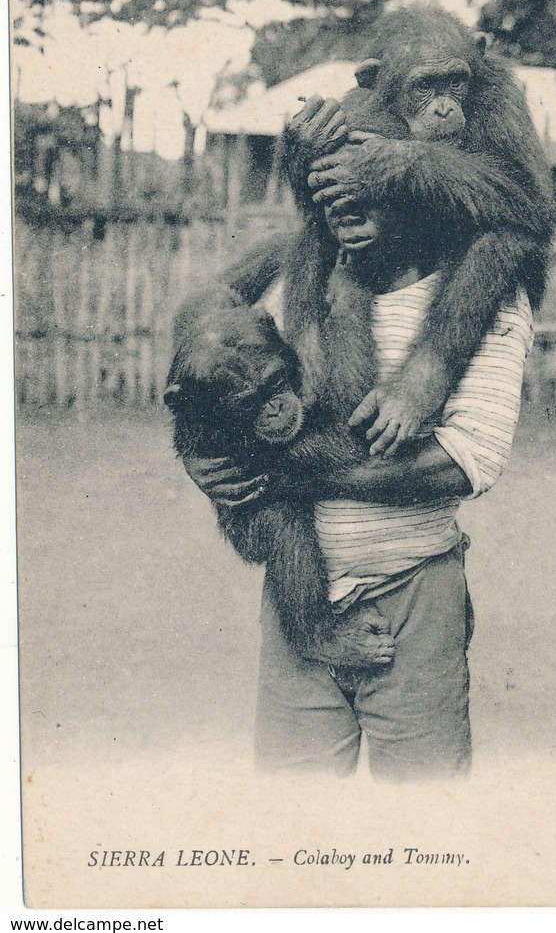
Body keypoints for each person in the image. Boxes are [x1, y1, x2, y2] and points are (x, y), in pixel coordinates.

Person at [184, 183, 533, 780]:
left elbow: (464, 460)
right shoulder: (286, 261)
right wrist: (198, 447)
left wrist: (277, 465)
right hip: (297, 600)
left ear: (418, 196)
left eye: (366, 191)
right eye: (329, 191)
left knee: (424, 815)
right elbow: (198, 341)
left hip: (414, 591)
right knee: (292, 814)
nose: (346, 210)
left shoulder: (479, 294)